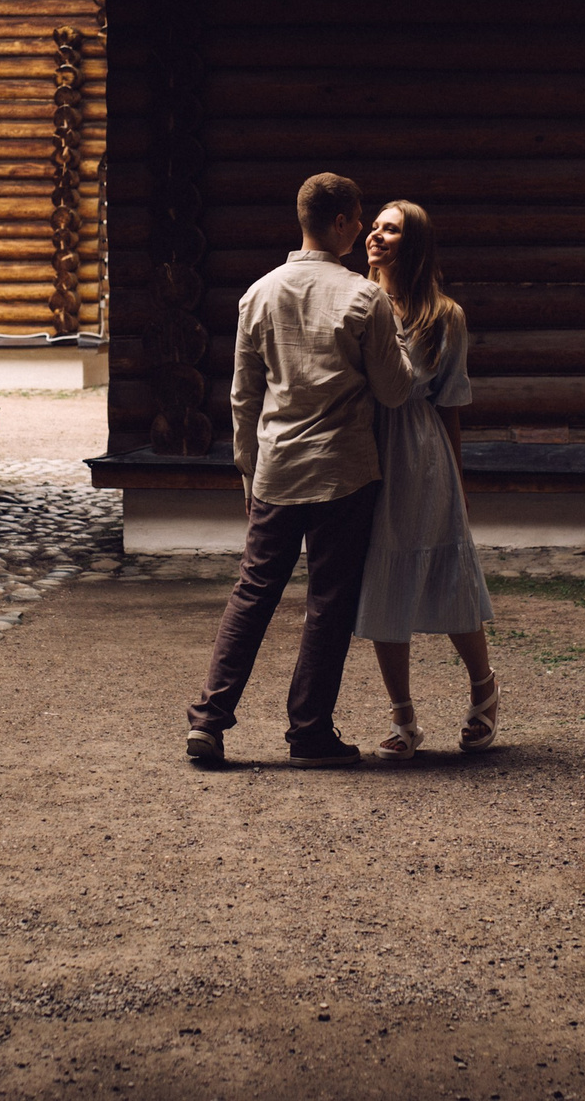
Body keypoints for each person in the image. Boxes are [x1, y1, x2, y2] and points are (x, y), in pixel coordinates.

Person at [186, 173, 415, 767]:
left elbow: (243, 397)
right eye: (358, 218)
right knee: (328, 601)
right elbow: (393, 392)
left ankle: (209, 721)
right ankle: (309, 733)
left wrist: (247, 473)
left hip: (279, 469)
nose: (363, 228)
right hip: (344, 471)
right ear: (339, 222)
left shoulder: (258, 294)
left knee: (253, 593)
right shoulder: (365, 299)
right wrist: (412, 358)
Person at [354, 200, 498, 756]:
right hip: (367, 448)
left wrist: (457, 483)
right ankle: (403, 719)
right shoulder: (358, 300)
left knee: (447, 574)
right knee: (383, 580)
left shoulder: (444, 315)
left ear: (413, 243)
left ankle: (484, 692)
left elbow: (450, 405)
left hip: (421, 452)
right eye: (374, 227)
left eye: (391, 229)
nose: (377, 236)